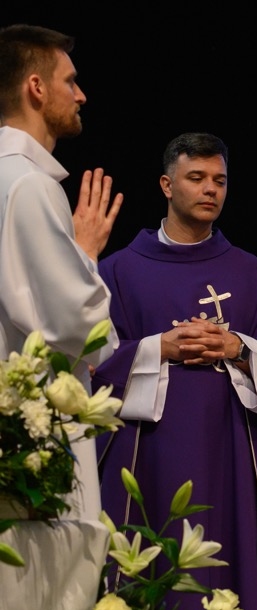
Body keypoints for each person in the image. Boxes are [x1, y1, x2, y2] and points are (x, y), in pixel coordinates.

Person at [93, 132, 257, 610]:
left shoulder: (251, 274)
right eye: (197, 178)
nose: (210, 189)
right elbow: (88, 358)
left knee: (225, 574)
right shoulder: (118, 272)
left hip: (230, 456)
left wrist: (237, 347)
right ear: (167, 185)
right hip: (148, 458)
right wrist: (157, 348)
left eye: (219, 181)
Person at [0, 24, 121, 520]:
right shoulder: (29, 184)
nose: (81, 94)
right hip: (33, 440)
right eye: (69, 81)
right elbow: (79, 327)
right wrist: (85, 254)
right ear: (36, 87)